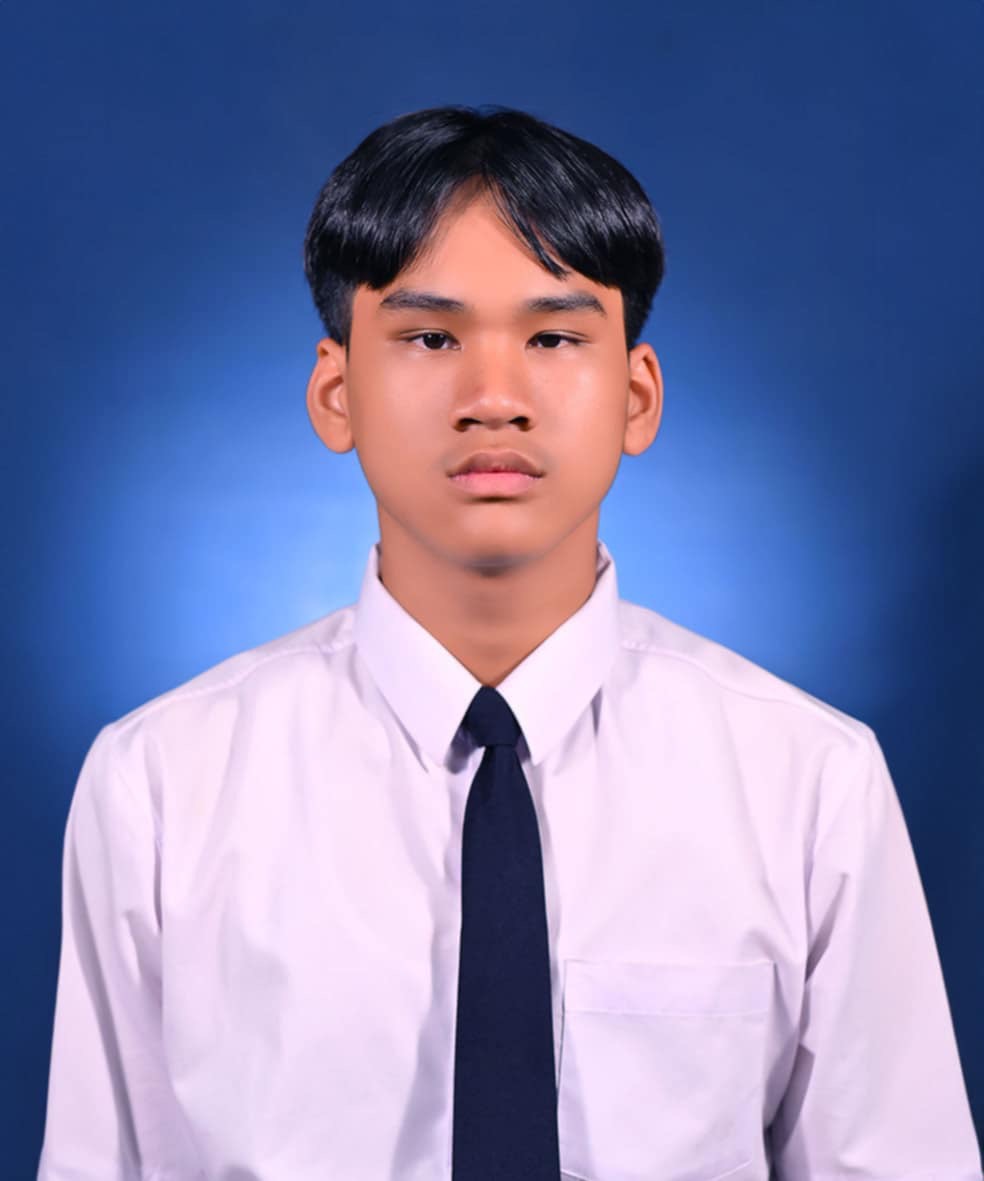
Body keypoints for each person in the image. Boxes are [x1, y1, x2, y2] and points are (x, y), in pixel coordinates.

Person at [38, 105, 981, 1180]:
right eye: (430, 338)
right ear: (337, 393)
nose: (494, 399)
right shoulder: (162, 789)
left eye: (554, 338)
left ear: (637, 395)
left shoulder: (810, 785)